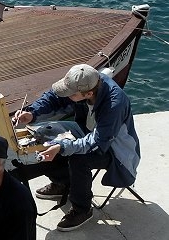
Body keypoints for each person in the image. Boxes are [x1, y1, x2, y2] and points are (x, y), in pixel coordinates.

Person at [12, 64, 140, 231]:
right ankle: (63, 183)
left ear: (88, 94)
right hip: (88, 131)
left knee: (79, 157)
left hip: (113, 150)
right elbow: (54, 96)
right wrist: (32, 113)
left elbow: (97, 142)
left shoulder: (114, 104)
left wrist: (62, 147)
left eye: (70, 94)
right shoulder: (86, 85)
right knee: (44, 133)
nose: (67, 95)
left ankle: (82, 209)